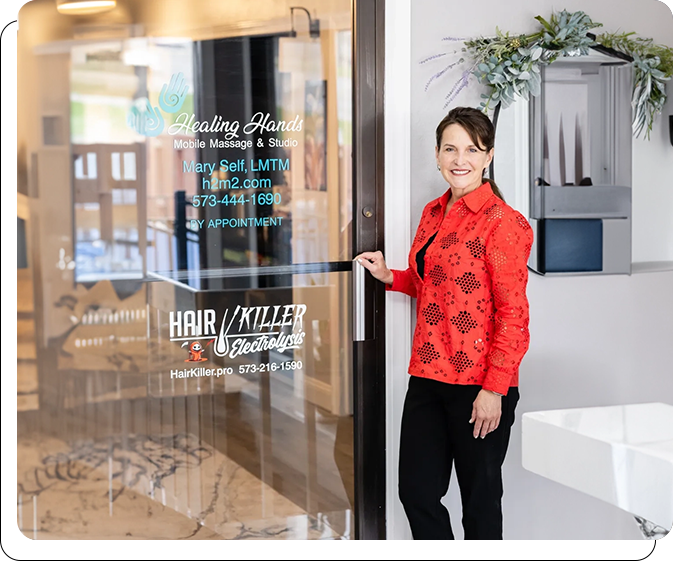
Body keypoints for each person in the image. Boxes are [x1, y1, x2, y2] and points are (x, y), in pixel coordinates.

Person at [355, 106, 533, 540]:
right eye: (450, 148)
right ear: (436, 154)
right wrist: (390, 277)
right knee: (416, 493)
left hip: (480, 385)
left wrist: (493, 390)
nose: (460, 159)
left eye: (472, 149)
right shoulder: (434, 213)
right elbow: (437, 288)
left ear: (488, 156)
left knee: (480, 502)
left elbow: (514, 315)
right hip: (429, 377)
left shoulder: (504, 224)